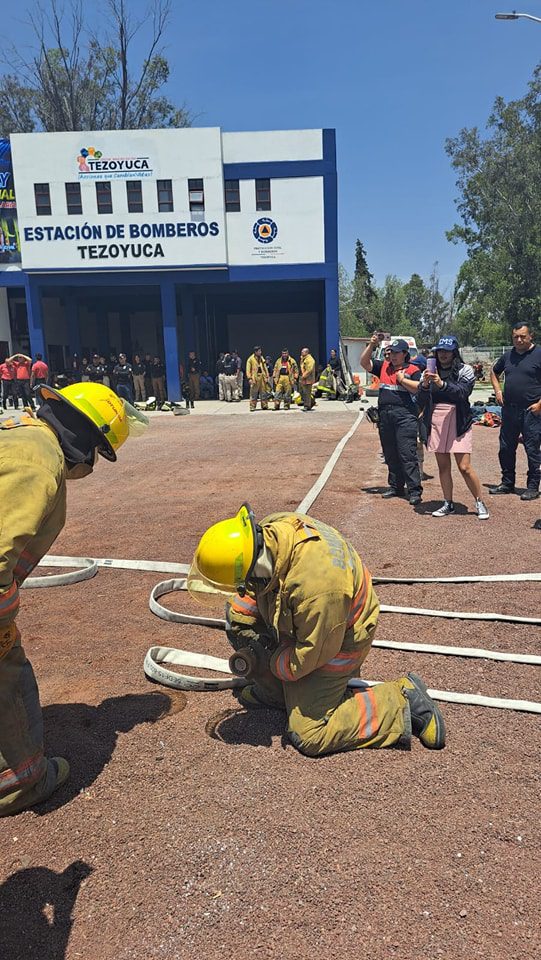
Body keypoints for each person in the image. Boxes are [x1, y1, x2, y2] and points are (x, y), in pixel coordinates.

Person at [188, 504, 446, 757]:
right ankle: (277, 694)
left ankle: (401, 701)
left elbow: (311, 654)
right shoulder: (270, 531)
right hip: (309, 619)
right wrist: (244, 625)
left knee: (309, 733)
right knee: (238, 621)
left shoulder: (319, 588)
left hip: (338, 639)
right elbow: (259, 595)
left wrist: (272, 662)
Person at [0, 382, 148, 815]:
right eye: (99, 451)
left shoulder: (17, 431)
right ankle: (22, 783)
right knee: (10, 674)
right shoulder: (37, 461)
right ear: (86, 439)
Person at [419, 336, 489, 519]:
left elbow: (463, 393)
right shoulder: (429, 370)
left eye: (447, 351)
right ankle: (447, 502)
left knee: (464, 466)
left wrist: (441, 384)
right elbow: (420, 400)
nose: (443, 354)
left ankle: (480, 502)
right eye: (440, 350)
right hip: (437, 419)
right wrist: (425, 385)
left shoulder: (465, 370)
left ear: (454, 352)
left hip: (459, 419)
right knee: (443, 467)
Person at [360, 336, 423, 505]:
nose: (392, 356)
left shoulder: (413, 370)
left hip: (405, 416)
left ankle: (414, 490)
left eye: (396, 353)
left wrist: (402, 380)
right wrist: (372, 345)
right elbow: (364, 363)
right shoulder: (384, 367)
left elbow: (418, 389)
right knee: (390, 453)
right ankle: (396, 486)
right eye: (391, 352)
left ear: (404, 354)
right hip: (386, 416)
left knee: (407, 453)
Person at [489, 322, 541, 501]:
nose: (519, 340)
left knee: (532, 449)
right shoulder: (508, 355)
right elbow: (494, 373)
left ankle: (533, 486)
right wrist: (497, 391)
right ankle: (507, 482)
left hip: (532, 411)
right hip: (509, 410)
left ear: (531, 336)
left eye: (522, 336)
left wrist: (540, 405)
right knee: (505, 448)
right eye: (515, 337)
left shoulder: (539, 354)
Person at [246, 346, 271, 412]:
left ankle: (264, 405)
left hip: (262, 377)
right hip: (255, 378)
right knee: (254, 393)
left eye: (260, 351)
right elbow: (248, 369)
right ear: (255, 352)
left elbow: (265, 367)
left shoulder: (262, 358)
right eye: (259, 351)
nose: (260, 352)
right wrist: (249, 378)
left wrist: (267, 376)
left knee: (263, 392)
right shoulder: (250, 359)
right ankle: (252, 406)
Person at [299, 347, 316, 411]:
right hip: (304, 379)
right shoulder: (303, 359)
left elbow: (309, 369)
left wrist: (303, 376)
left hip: (308, 379)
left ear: (306, 352)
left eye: (302, 352)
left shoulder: (310, 359)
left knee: (307, 393)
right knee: (303, 392)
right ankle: (311, 402)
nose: (301, 353)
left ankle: (307, 406)